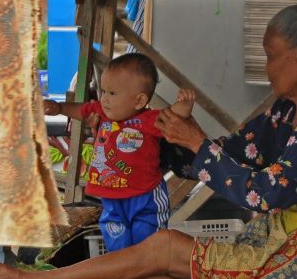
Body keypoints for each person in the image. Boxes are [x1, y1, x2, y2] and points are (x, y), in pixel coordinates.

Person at [0, 4, 297, 279]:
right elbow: (229, 156)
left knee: (162, 249)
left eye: (271, 54)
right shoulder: (283, 113)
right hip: (275, 248)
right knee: (152, 274)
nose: (268, 66)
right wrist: (142, 141)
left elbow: (265, 193)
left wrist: (194, 141)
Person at [43, 53, 195, 251]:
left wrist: (185, 105)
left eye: (112, 94)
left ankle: (148, 278)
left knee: (148, 246)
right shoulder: (102, 112)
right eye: (104, 91)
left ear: (139, 101)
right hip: (111, 197)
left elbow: (174, 116)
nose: (104, 99)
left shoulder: (148, 120)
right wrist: (60, 108)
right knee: (117, 245)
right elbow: (82, 110)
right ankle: (123, 276)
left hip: (144, 197)